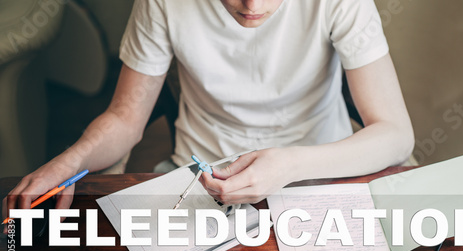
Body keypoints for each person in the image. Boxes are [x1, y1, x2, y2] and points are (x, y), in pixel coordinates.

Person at [2, 0, 414, 222]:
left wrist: (288, 165)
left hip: (321, 177)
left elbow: (396, 134)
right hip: (199, 182)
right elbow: (126, 119)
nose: (252, 4)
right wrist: (71, 160)